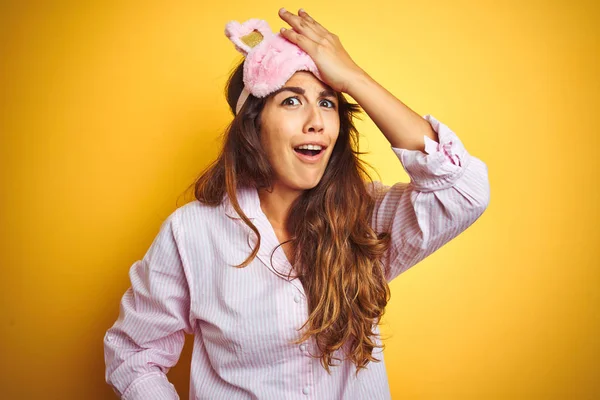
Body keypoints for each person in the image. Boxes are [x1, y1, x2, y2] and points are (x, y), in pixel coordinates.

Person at [103, 8, 490, 400]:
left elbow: (463, 192)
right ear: (253, 125)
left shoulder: (365, 218)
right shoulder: (192, 233)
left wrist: (353, 78)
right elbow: (133, 354)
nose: (317, 122)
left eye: (327, 103)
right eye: (291, 101)